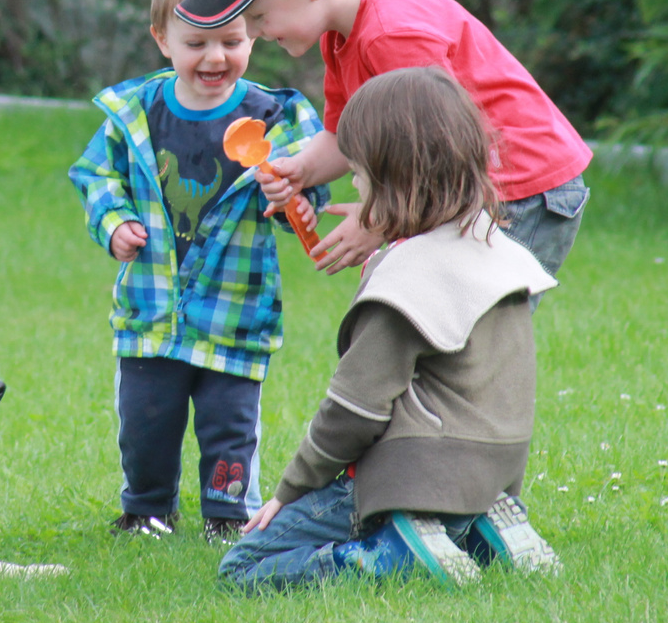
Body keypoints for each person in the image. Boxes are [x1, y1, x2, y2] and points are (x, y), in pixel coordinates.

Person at [218, 66, 561, 589]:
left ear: (393, 179)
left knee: (242, 569)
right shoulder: (496, 249)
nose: (354, 187)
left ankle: (385, 555)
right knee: (447, 507)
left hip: (418, 474)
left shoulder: (406, 277)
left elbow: (354, 409)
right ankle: (475, 530)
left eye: (357, 174)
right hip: (496, 473)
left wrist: (289, 490)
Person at [174, 0, 592, 280]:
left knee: (472, 324)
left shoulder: (391, 35)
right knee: (426, 312)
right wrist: (300, 169)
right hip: (468, 187)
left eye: (259, 17)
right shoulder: (340, 36)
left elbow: (441, 156)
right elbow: (342, 136)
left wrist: (380, 222)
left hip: (520, 189)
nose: (254, 31)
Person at [68, 0, 328, 543]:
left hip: (234, 310)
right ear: (162, 39)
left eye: (232, 41)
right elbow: (95, 175)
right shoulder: (135, 112)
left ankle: (228, 517)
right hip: (151, 312)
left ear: (254, 36)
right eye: (196, 43)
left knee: (229, 425)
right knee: (145, 423)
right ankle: (147, 510)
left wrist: (287, 194)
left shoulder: (278, 119)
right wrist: (113, 223)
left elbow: (307, 206)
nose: (215, 57)